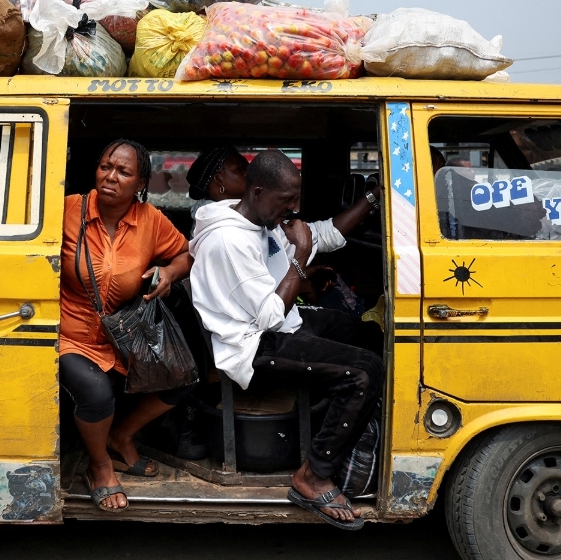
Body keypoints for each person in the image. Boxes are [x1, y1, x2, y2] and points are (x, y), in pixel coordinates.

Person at [189, 149, 385, 530]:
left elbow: (320, 234)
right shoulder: (229, 241)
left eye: (295, 199)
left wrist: (373, 196)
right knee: (364, 372)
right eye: (286, 201)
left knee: (368, 333)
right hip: (253, 347)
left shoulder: (262, 217)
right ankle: (313, 475)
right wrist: (301, 255)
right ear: (259, 192)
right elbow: (269, 315)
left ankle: (346, 426)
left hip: (283, 325)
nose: (293, 208)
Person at [60, 139, 195, 512]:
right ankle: (100, 467)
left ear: (140, 183)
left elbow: (185, 253)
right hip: (70, 334)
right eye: (106, 167)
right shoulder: (68, 209)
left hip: (125, 337)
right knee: (97, 393)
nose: (111, 176)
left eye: (123, 171)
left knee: (184, 377)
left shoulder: (150, 220)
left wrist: (168, 271)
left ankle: (122, 436)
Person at [186, 146, 249, 234]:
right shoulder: (219, 224)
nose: (247, 173)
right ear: (218, 180)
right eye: (239, 169)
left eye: (247, 168)